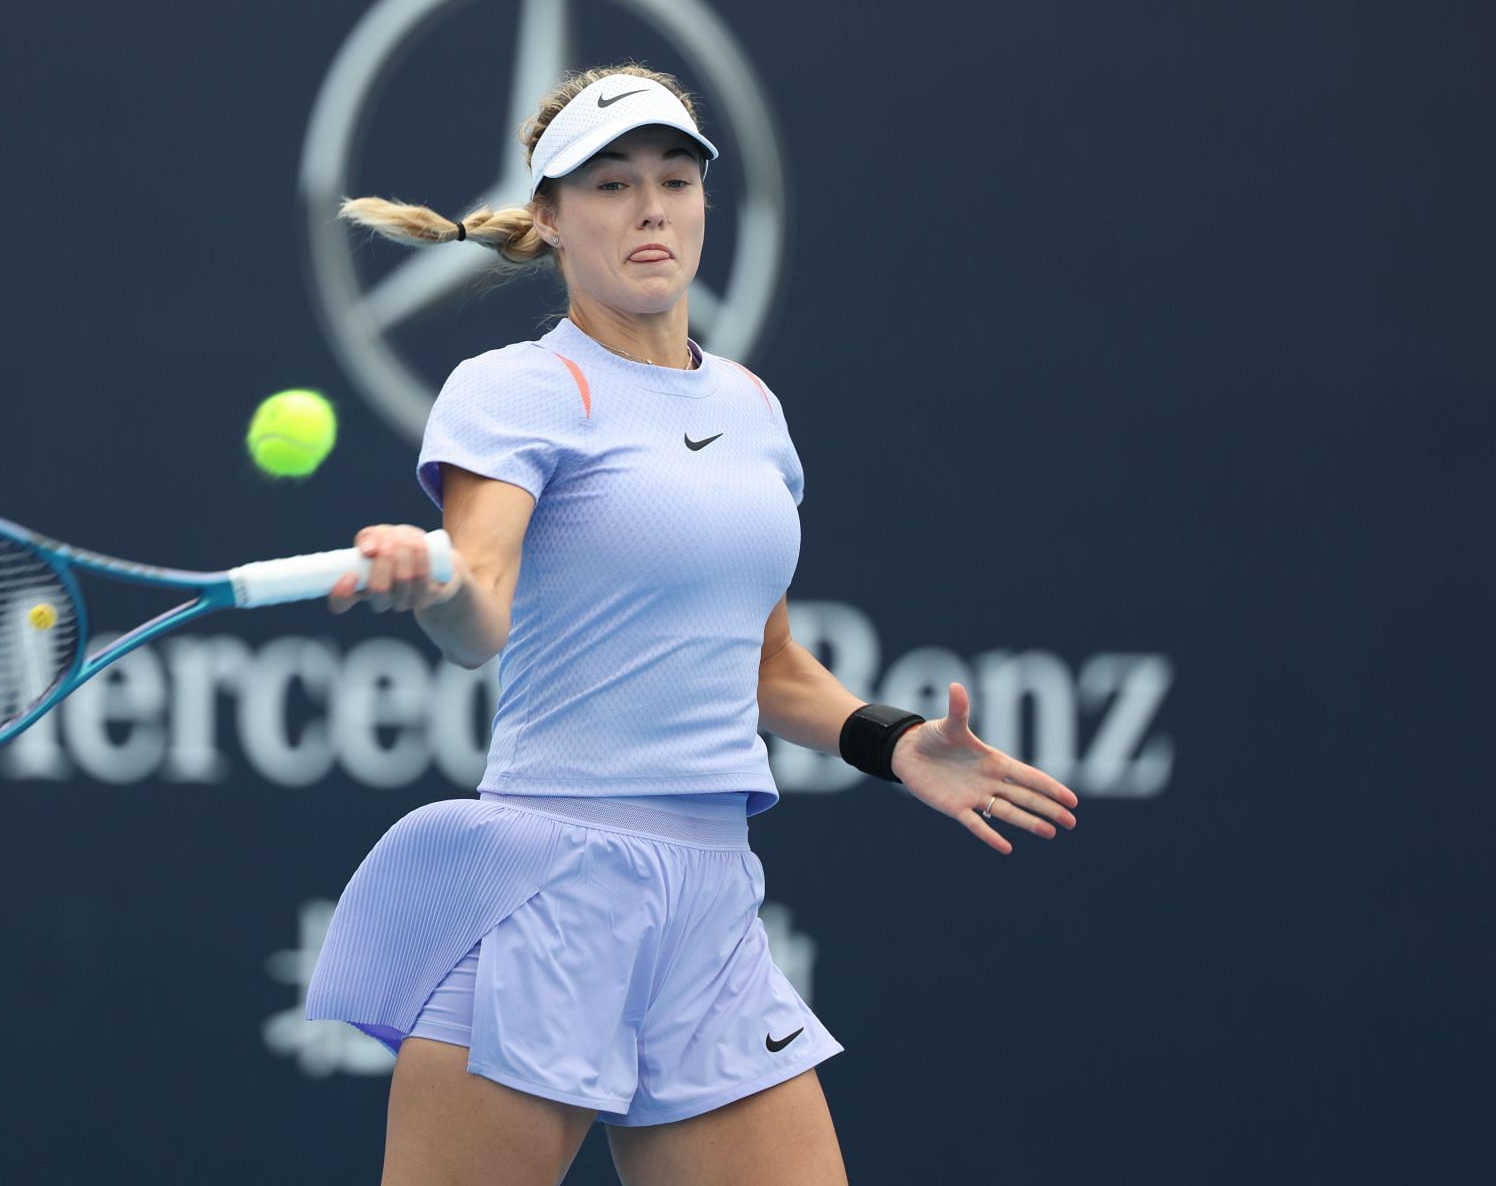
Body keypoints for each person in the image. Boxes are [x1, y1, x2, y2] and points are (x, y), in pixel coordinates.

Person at [307, 65, 1080, 1186]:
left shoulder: (751, 410)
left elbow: (764, 660)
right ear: (554, 219)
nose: (652, 206)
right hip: (554, 889)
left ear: (707, 203)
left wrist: (893, 739)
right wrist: (429, 583)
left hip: (712, 900)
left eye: (676, 177)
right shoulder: (517, 389)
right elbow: (481, 612)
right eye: (613, 184)